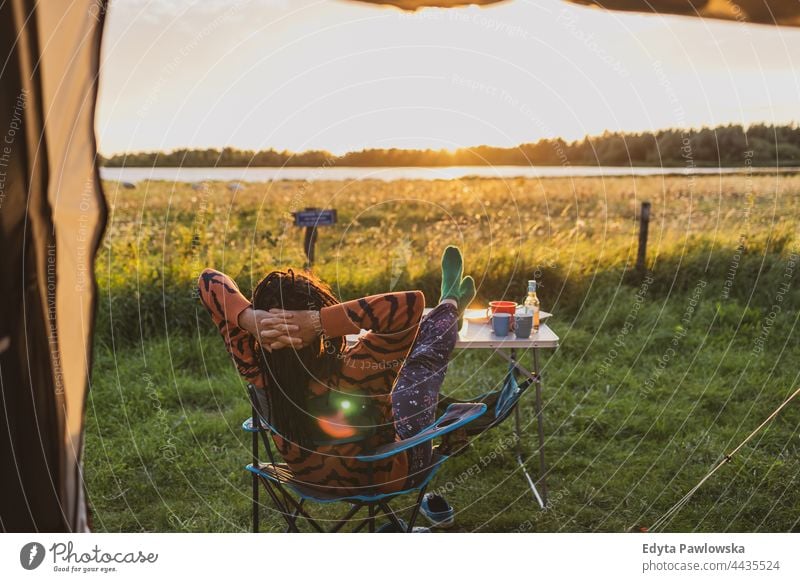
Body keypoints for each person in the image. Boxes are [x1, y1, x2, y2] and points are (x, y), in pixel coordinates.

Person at [197, 246, 475, 528]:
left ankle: (449, 307)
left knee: (408, 363)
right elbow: (410, 305)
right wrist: (319, 321)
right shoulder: (357, 369)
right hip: (387, 475)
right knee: (420, 365)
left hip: (308, 479)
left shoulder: (255, 368)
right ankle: (449, 303)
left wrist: (248, 318)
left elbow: (208, 280)